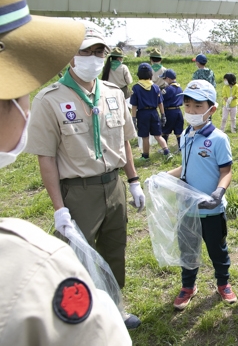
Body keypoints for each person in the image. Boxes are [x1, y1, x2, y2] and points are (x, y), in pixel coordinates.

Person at [24, 21, 145, 328]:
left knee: (114, 249)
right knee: (74, 258)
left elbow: (125, 142)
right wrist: (59, 208)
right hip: (78, 192)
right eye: (86, 51)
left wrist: (133, 182)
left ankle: (114, 308)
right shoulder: (49, 99)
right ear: (70, 56)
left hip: (113, 186)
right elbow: (46, 158)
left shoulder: (114, 93)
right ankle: (73, 318)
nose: (93, 57)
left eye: (99, 51)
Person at [167, 80, 237, 309]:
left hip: (212, 209)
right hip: (187, 207)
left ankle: (223, 283)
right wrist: (163, 176)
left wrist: (218, 192)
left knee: (218, 249)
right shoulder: (186, 134)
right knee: (188, 249)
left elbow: (226, 171)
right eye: (187, 105)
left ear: (212, 109)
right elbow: (185, 168)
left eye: (198, 106)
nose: (191, 111)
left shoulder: (218, 139)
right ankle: (188, 286)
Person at [130, 63, 172, 161]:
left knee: (145, 136)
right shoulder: (156, 87)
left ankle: (145, 156)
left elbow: (134, 105)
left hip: (142, 114)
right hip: (154, 113)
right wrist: (163, 115)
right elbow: (160, 103)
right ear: (150, 74)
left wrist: (133, 118)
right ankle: (167, 152)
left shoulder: (136, 87)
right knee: (158, 135)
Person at [159, 68, 184, 150]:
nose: (164, 80)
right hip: (178, 111)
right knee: (178, 131)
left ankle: (164, 149)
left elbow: (161, 99)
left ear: (168, 78)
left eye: (164, 78)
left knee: (165, 131)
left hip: (169, 112)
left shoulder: (168, 89)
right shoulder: (179, 88)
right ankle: (181, 148)